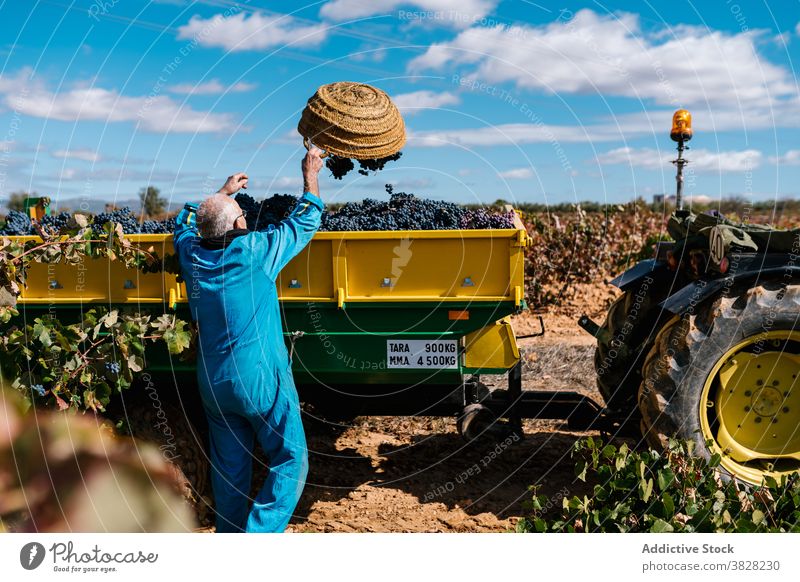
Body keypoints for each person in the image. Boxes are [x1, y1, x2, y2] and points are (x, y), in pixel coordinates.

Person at [172, 148, 324, 533]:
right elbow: (304, 222)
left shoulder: (191, 255)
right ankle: (256, 539)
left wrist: (221, 193)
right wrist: (310, 175)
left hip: (213, 382)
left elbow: (185, 222)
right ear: (238, 228)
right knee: (291, 459)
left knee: (229, 469)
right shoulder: (254, 252)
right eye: (242, 216)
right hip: (257, 380)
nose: (246, 219)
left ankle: (230, 540)